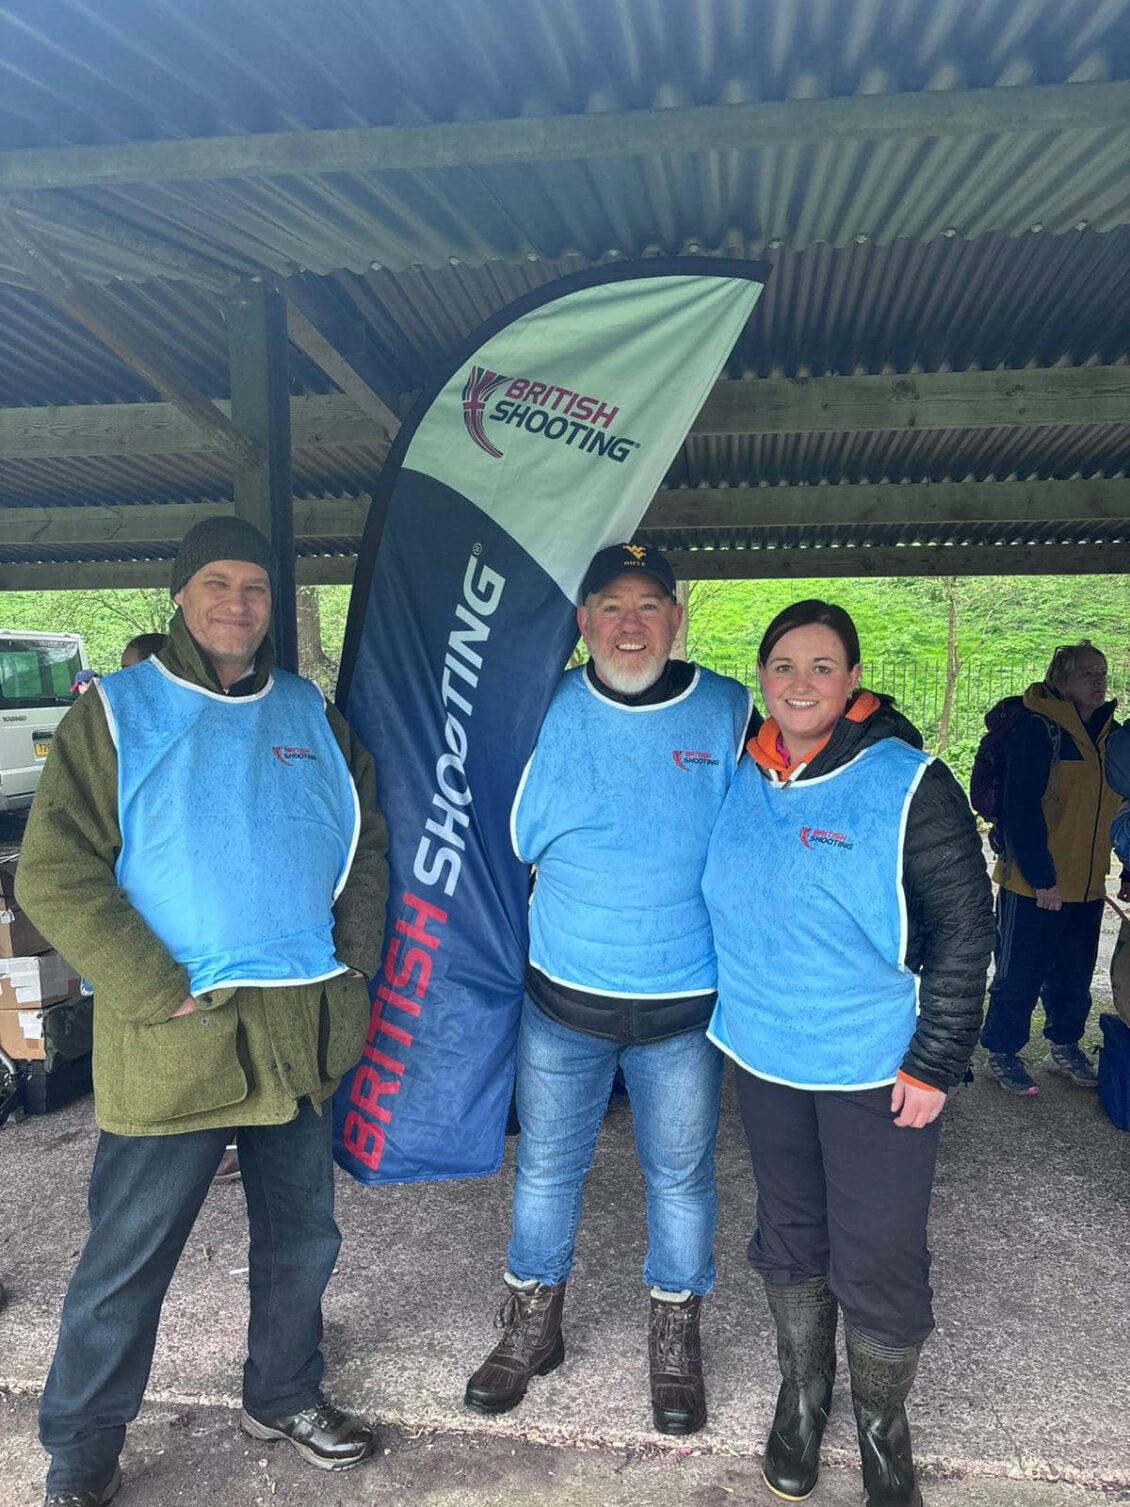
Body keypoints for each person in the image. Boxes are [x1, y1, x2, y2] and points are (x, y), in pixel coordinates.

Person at [16, 517, 388, 1507]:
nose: (237, 602)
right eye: (217, 582)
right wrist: (150, 983)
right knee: (126, 1261)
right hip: (177, 1033)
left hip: (298, 1029)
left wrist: (351, 967)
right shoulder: (120, 711)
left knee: (303, 1237)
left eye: (256, 587)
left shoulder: (310, 712)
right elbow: (55, 871)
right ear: (181, 595)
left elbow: (363, 846)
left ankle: (284, 1393)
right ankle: (80, 1457)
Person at [701, 599, 992, 1507]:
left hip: (876, 1065)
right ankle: (803, 1393)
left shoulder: (908, 781)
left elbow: (965, 928)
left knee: (879, 1252)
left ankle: (881, 1424)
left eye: (822, 666)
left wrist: (936, 1059)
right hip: (764, 1054)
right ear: (762, 678)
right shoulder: (741, 771)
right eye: (783, 665)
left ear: (854, 680)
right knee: (790, 1234)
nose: (800, 682)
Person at [464, 542, 752, 1437]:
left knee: (681, 1176)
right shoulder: (534, 709)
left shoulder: (730, 711)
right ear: (582, 620)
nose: (631, 624)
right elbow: (486, 835)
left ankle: (675, 1338)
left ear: (679, 614)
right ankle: (530, 1327)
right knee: (548, 1170)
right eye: (611, 607)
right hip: (563, 1004)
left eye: (649, 604)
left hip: (684, 1010)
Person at [980, 640, 1121, 1096]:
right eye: (1087, 673)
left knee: (1075, 975)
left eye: (1101, 672)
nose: (1099, 681)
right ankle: (1002, 1051)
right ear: (1060, 680)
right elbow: (1021, 810)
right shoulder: (1038, 731)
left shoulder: (1109, 736)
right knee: (1020, 971)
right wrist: (1043, 879)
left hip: (1086, 883)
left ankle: (1064, 1046)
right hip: (1035, 883)